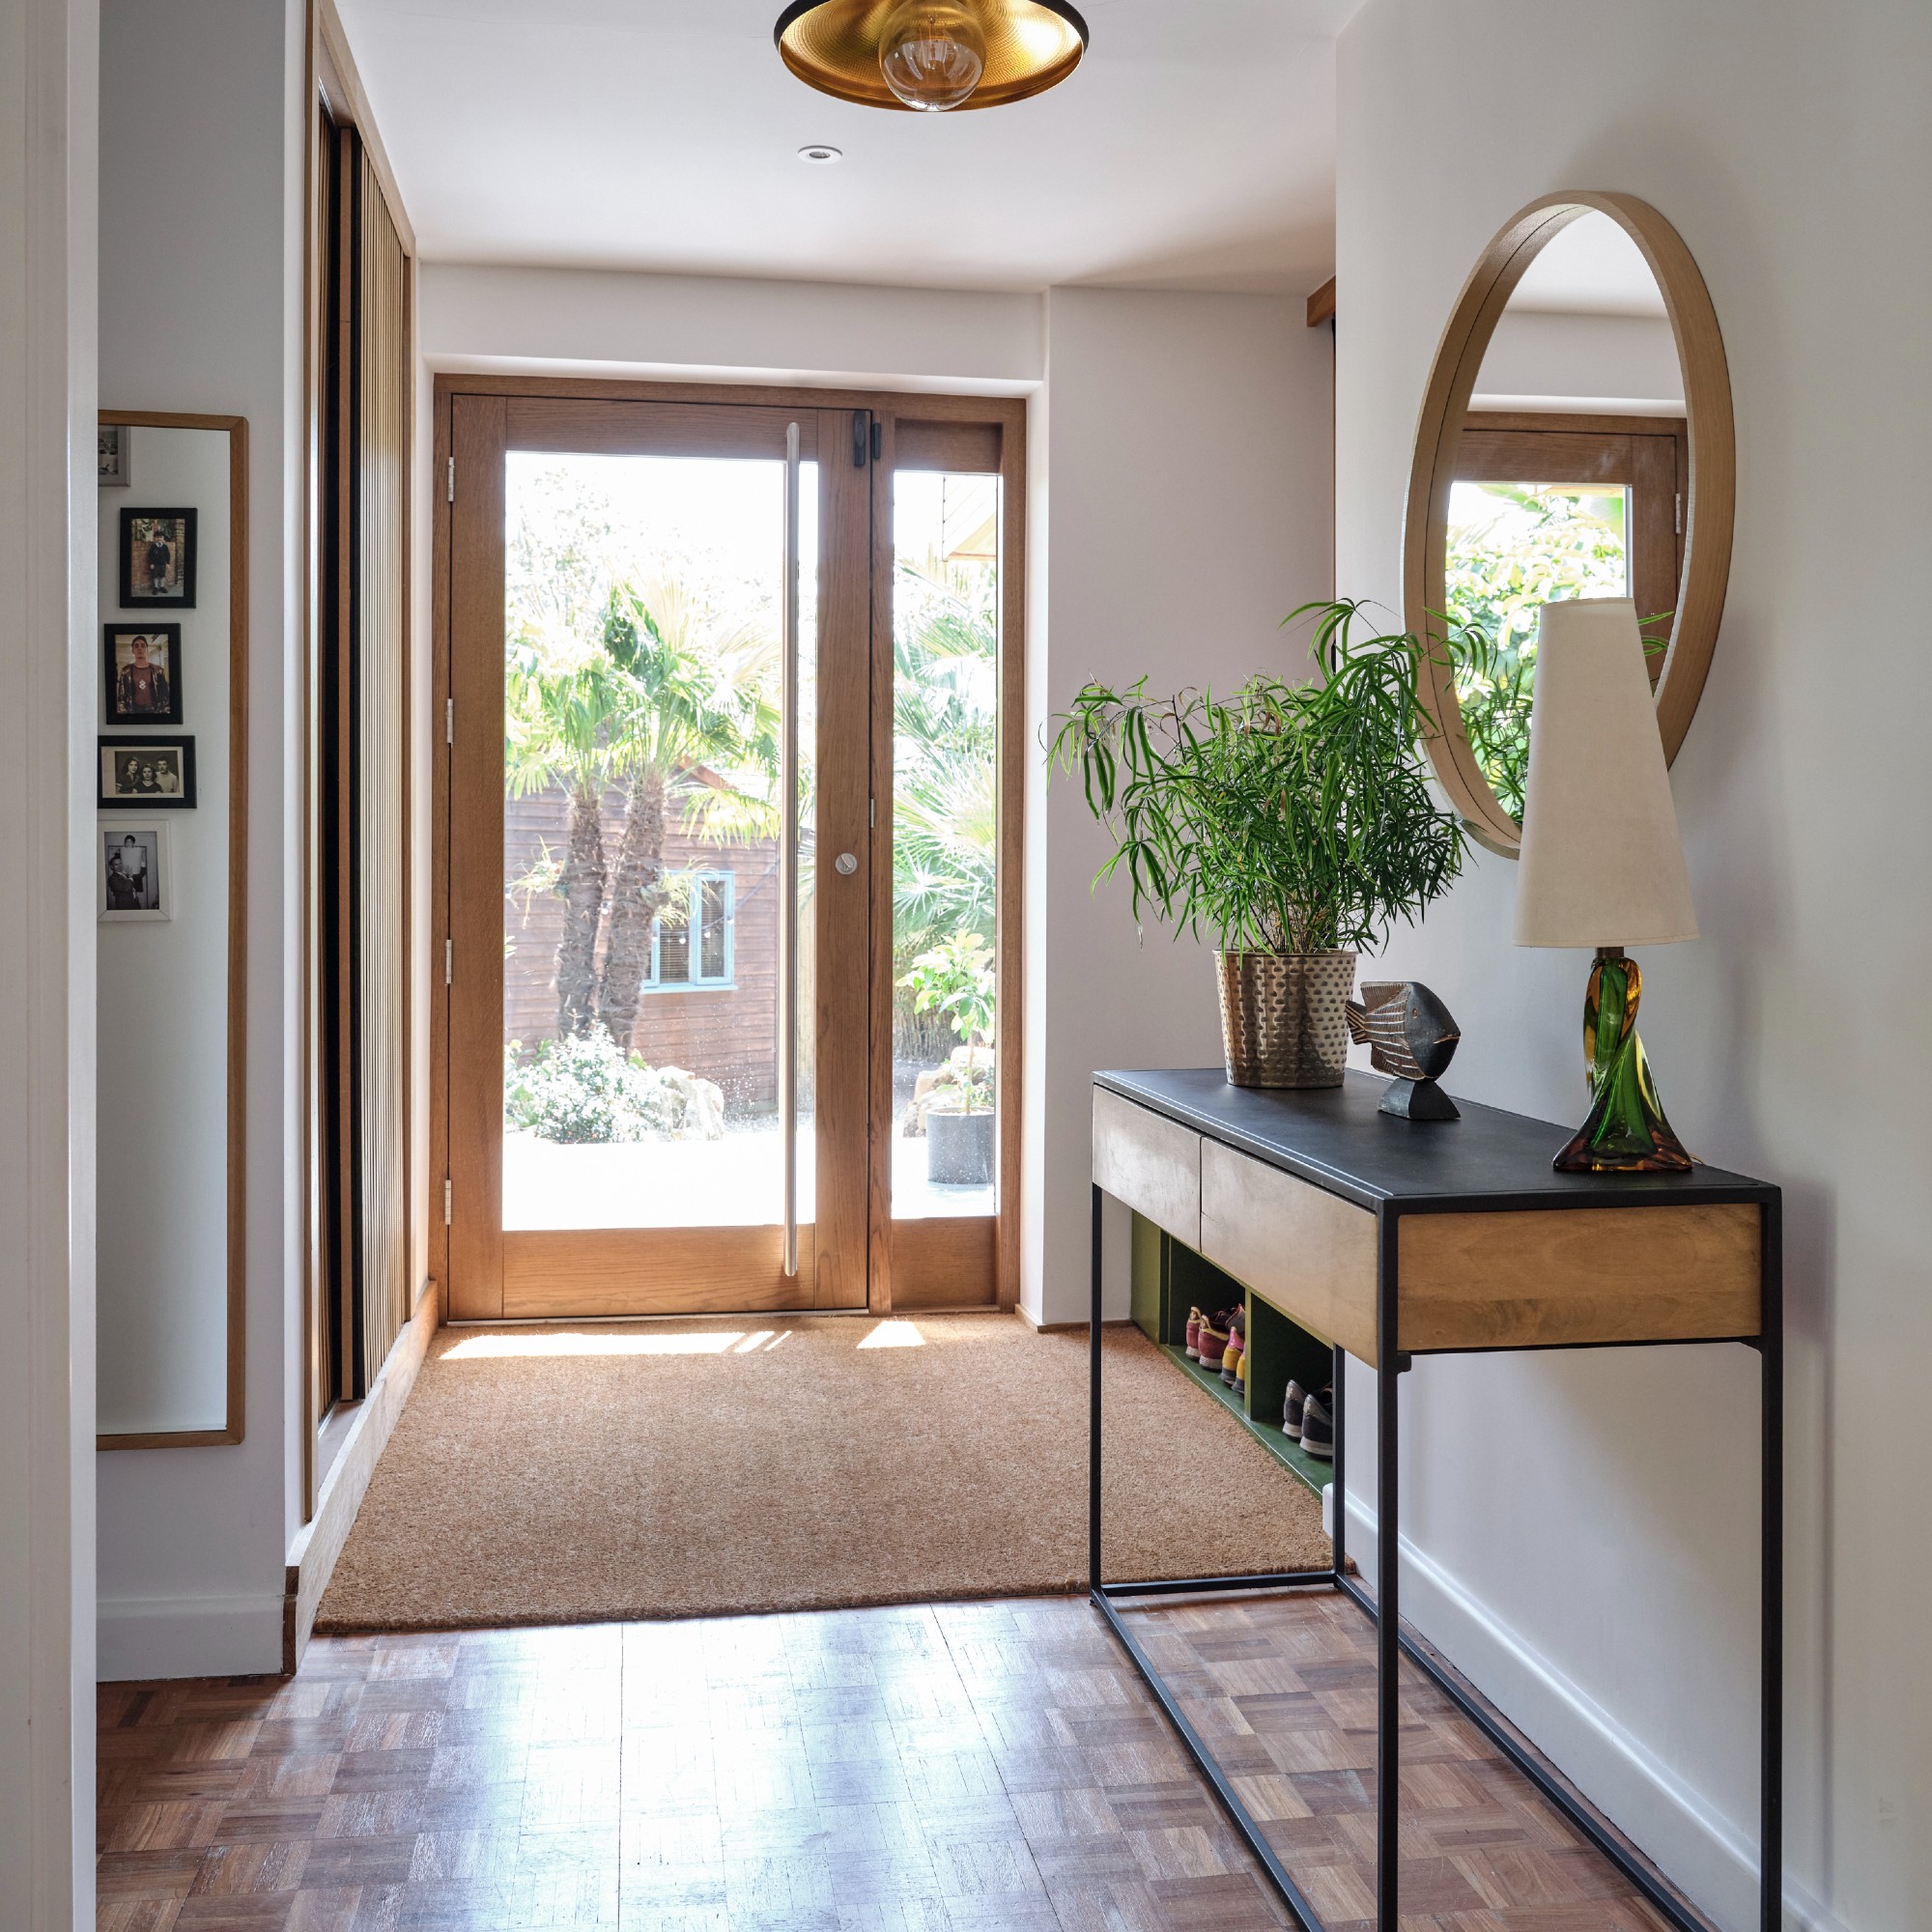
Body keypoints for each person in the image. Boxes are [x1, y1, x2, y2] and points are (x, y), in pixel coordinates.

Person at [116, 635, 170, 718]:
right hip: (133, 712)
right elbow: (121, 697)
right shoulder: (125, 671)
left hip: (154, 712)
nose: (140, 648)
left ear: (147, 649)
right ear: (133, 650)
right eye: (136, 646)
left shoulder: (159, 671)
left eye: (143, 646)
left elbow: (165, 696)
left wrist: (162, 714)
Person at [106, 836, 147, 910]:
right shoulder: (113, 878)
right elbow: (126, 888)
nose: (119, 865)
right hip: (124, 904)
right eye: (116, 864)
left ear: (133, 843)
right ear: (112, 867)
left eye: (120, 863)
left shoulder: (126, 874)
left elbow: (140, 875)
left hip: (135, 902)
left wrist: (142, 863)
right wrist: (130, 876)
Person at [143, 523, 173, 598]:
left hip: (163, 564)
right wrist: (151, 563)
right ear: (155, 538)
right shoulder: (153, 547)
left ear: (163, 538)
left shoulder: (165, 547)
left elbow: (167, 555)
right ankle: (156, 587)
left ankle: (162, 586)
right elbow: (150, 556)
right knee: (155, 576)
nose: (159, 538)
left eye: (161, 537)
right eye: (157, 537)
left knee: (162, 576)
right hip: (155, 565)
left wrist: (168, 563)